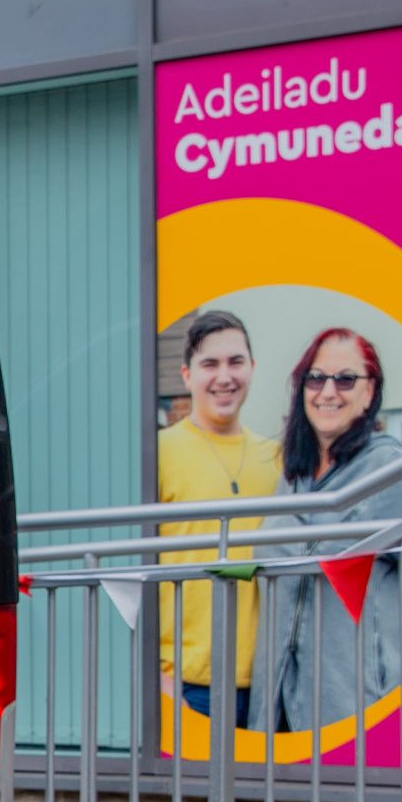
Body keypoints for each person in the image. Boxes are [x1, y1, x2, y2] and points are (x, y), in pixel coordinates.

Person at [253, 328, 402, 735]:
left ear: (369, 394)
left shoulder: (391, 472)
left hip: (359, 714)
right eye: (316, 378)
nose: (328, 391)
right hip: (279, 713)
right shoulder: (293, 476)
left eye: (346, 379)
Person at [157, 311, 282, 729]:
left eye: (235, 362)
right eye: (210, 364)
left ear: (252, 368)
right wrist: (157, 676)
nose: (224, 376)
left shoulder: (277, 459)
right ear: (187, 374)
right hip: (185, 684)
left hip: (269, 682)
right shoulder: (155, 453)